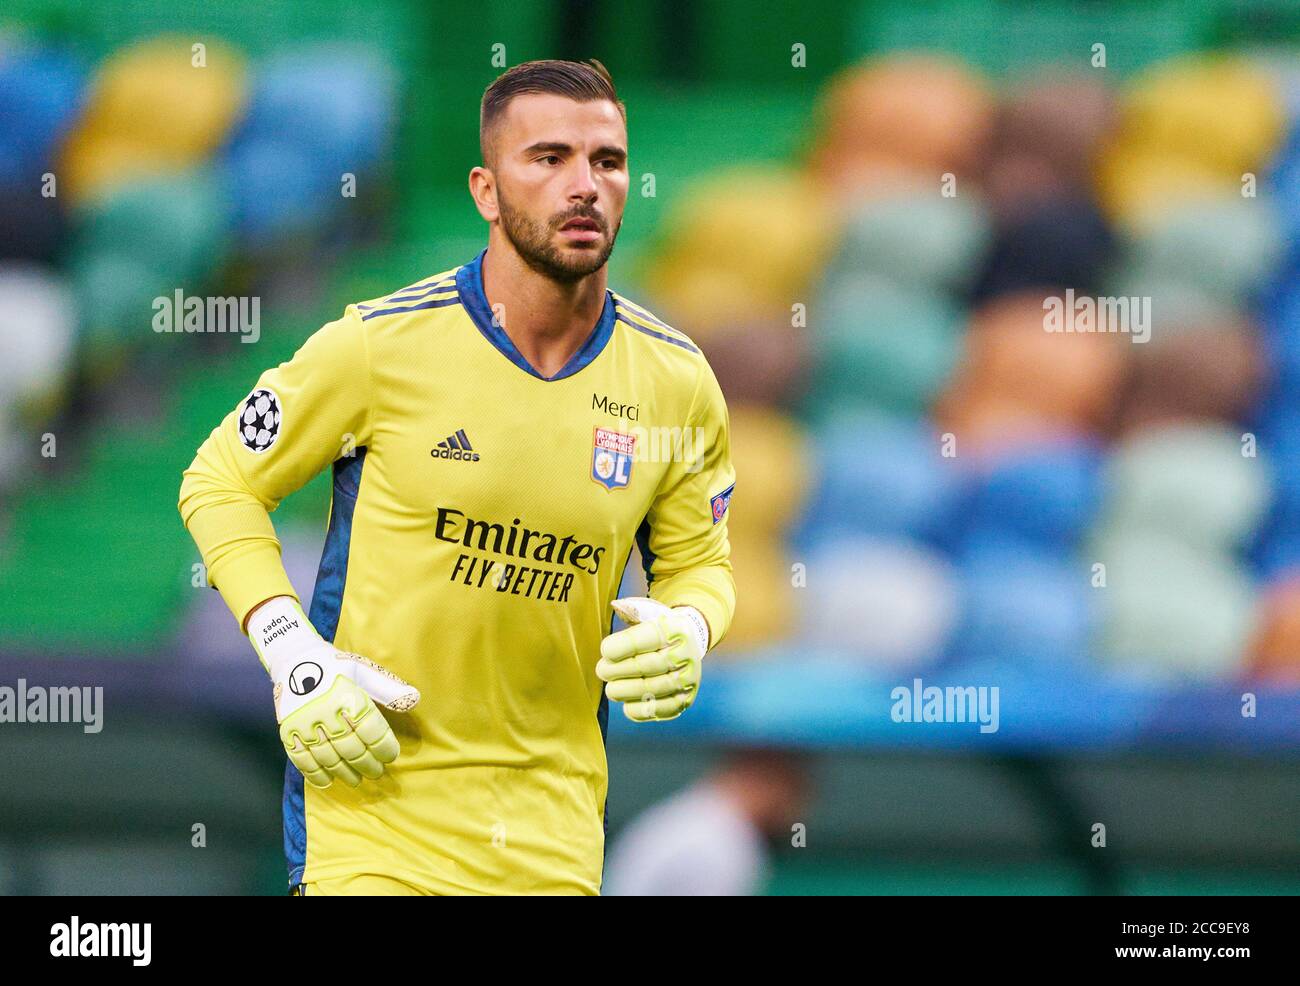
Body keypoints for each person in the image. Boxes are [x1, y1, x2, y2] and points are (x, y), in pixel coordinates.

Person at [178, 58, 736, 895]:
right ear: (484, 189)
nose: (584, 185)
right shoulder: (380, 346)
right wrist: (297, 661)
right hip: (373, 827)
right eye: (547, 159)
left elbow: (701, 565)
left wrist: (689, 630)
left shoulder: (677, 382)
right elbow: (220, 481)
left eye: (607, 161)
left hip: (554, 846)